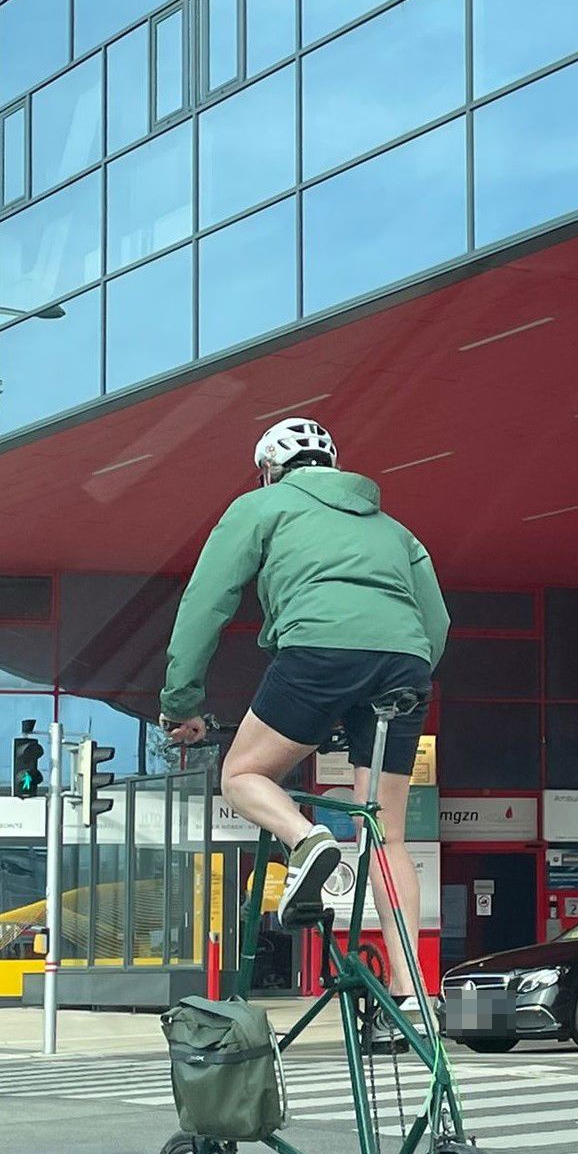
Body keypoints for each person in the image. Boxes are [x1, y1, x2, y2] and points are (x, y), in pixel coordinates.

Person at [160, 418, 449, 1029]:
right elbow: (437, 621)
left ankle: (306, 839)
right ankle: (412, 994)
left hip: (317, 651)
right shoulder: (395, 530)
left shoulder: (260, 506)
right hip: (404, 665)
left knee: (242, 775)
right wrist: (403, 674)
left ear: (269, 469)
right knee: (388, 836)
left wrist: (182, 701)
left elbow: (206, 601)